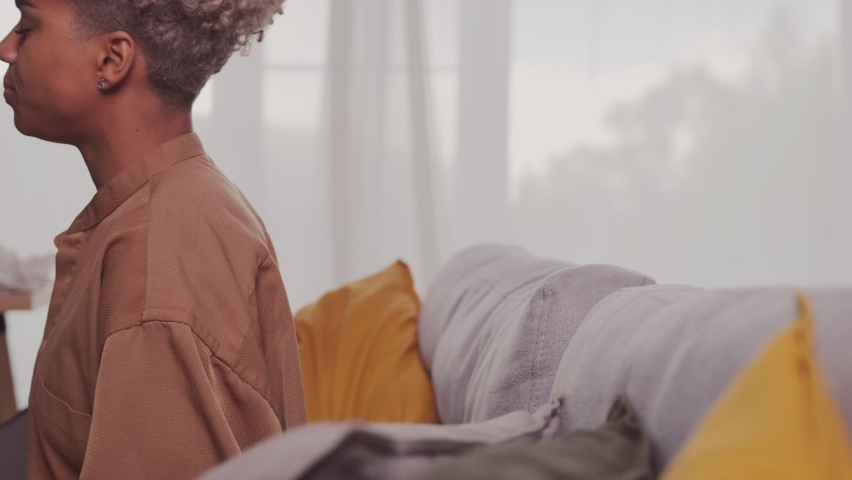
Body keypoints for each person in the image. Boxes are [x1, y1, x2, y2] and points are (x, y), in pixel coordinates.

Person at [0, 0, 306, 477]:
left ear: (112, 60)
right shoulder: (181, 200)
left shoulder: (156, 259)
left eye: (28, 26)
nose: (6, 49)